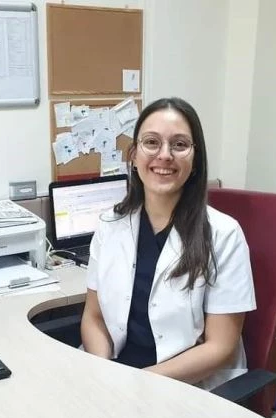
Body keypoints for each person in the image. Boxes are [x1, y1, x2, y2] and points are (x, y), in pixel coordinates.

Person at [80, 97, 256, 390]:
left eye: (179, 145)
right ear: (133, 155)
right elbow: (94, 316)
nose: (164, 155)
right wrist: (105, 372)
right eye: (151, 142)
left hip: (184, 386)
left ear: (195, 160)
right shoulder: (110, 225)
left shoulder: (224, 235)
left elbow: (220, 347)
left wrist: (136, 384)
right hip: (113, 374)